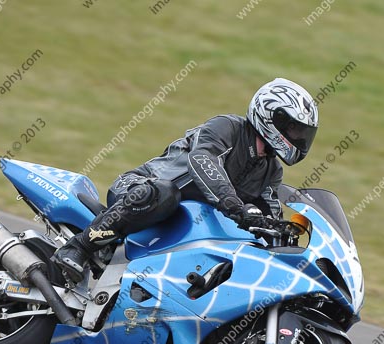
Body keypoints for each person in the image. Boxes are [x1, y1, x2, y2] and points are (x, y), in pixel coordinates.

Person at [52, 78, 319, 283]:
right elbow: (203, 161)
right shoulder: (227, 127)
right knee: (164, 193)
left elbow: (269, 217)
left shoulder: (272, 170)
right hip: (138, 190)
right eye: (294, 128)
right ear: (271, 117)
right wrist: (236, 206)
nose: (298, 137)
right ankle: (78, 247)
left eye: (302, 132)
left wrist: (286, 237)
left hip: (181, 224)